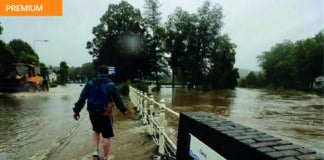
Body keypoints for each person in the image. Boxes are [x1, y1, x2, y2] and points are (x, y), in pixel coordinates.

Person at [73, 64, 127, 160]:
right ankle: (106, 157)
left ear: (98, 72)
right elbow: (117, 99)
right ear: (107, 73)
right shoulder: (110, 84)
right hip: (105, 113)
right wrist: (123, 110)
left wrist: (77, 110)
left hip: (92, 112)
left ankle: (95, 151)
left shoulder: (90, 83)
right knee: (106, 135)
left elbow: (82, 97)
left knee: (96, 130)